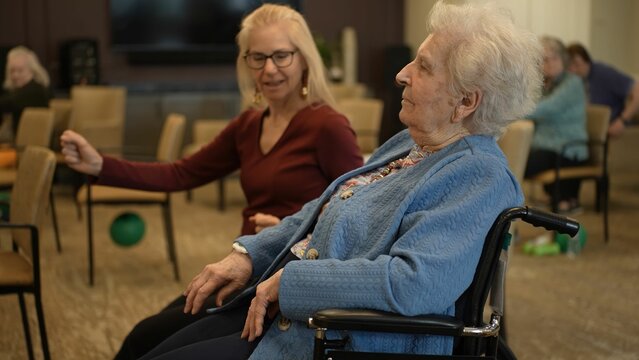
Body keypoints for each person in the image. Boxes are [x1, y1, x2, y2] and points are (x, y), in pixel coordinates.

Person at [114, 1, 542, 359]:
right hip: (293, 317)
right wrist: (248, 255)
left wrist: (292, 281)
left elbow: (414, 283)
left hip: (336, 339)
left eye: (424, 67)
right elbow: (319, 207)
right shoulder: (411, 143)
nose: (403, 73)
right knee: (152, 343)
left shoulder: (479, 174)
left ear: (465, 101)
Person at [61, 8, 363, 237]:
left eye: (282, 56)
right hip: (247, 262)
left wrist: (294, 231)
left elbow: (361, 217)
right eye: (258, 57)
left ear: (304, 59)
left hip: (292, 275)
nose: (269, 69)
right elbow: (180, 174)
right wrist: (99, 165)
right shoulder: (248, 125)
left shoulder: (328, 126)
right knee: (153, 324)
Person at [524, 36, 589, 214]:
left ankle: (507, 214)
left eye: (552, 58)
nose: (548, 63)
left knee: (516, 162)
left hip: (567, 150)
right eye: (543, 60)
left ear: (562, 60)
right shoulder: (548, 84)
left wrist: (511, 112)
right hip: (548, 149)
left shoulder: (572, 83)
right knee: (511, 158)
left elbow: (543, 109)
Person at [567, 42, 639, 138]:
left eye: (577, 64)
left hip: (609, 128)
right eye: (569, 66)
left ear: (587, 61)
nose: (573, 70)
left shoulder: (603, 74)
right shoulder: (572, 80)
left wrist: (622, 121)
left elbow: (637, 90)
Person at [0, 46, 52, 139]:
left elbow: (7, 103)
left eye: (20, 71)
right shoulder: (19, 90)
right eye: (12, 71)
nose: (15, 75)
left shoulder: (34, 90)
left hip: (31, 144)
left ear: (32, 70)